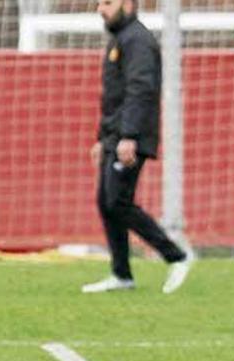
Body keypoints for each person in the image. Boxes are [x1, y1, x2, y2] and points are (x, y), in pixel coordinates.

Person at [82, 0, 193, 294]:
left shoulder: (138, 40)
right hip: (115, 136)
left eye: (107, 3)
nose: (100, 9)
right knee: (106, 203)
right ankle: (122, 275)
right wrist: (102, 138)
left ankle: (177, 256)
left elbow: (140, 90)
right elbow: (113, 98)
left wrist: (129, 136)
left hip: (130, 137)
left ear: (127, 4)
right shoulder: (120, 39)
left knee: (118, 201)